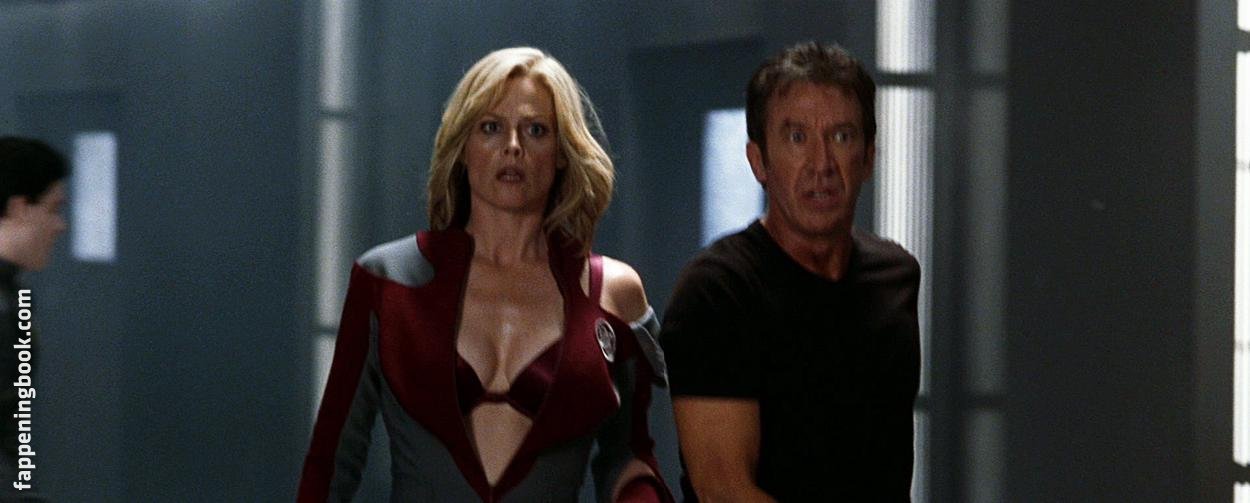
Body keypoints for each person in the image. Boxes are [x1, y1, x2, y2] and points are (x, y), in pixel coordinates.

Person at [298, 47, 673, 502]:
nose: (513, 146)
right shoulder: (388, 280)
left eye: (536, 130)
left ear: (561, 152)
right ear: (462, 146)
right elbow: (332, 461)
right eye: (491, 128)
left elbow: (629, 452)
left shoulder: (613, 293)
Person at [661, 42, 921, 502]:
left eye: (842, 137)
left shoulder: (895, 277)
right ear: (758, 161)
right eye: (797, 138)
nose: (822, 165)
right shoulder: (718, 291)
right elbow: (724, 492)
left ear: (869, 157)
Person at [0, 137, 69, 502]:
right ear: (20, 208)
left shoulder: (17, 297)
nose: (60, 226)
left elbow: (14, 431)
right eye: (53, 209)